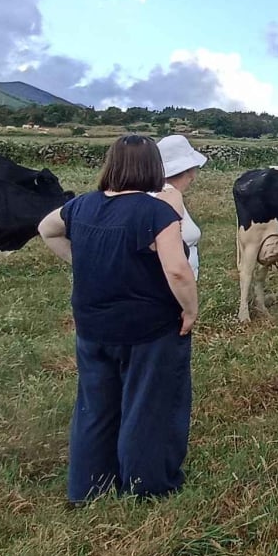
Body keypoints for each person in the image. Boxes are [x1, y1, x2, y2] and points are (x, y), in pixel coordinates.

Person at [38, 134, 199, 503]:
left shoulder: (81, 206)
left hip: (93, 327)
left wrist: (83, 260)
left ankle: (88, 488)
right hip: (149, 329)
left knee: (96, 406)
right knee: (148, 404)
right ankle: (148, 485)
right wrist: (190, 309)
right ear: (153, 169)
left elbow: (46, 228)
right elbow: (176, 270)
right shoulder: (157, 211)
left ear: (111, 164)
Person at [154, 134, 207, 279]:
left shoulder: (157, 193)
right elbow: (174, 265)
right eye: (193, 170)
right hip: (171, 290)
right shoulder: (168, 197)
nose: (193, 177)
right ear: (188, 172)